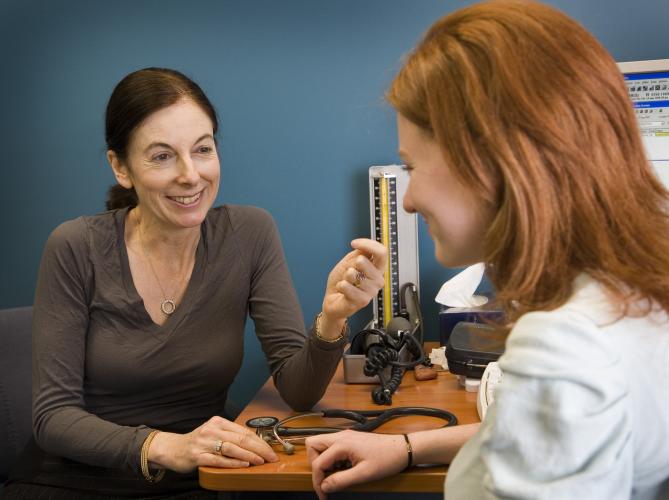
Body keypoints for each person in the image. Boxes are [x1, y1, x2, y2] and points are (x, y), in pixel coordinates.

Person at [306, 1, 669, 499]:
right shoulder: (630, 292)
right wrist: (409, 446)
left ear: (492, 162)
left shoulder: (563, 346)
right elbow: (552, 436)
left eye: (412, 165)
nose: (407, 200)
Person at [2, 67, 387, 499]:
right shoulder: (75, 246)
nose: (190, 175)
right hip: (70, 481)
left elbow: (297, 391)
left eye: (202, 150)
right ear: (121, 167)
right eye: (162, 156)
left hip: (195, 482)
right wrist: (166, 446)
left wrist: (332, 318)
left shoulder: (248, 234)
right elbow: (53, 418)